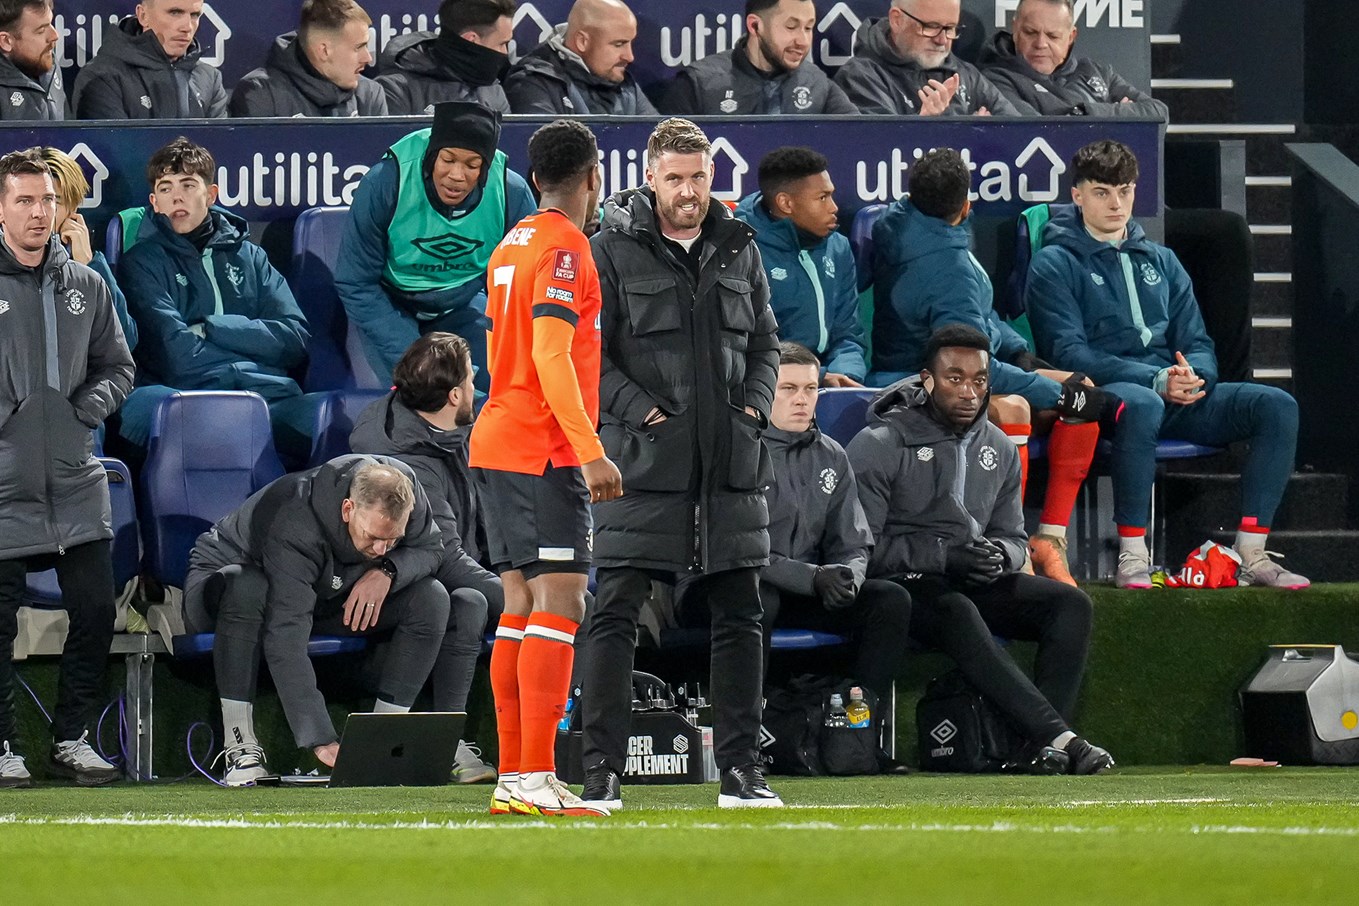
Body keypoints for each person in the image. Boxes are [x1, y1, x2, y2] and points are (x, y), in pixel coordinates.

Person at [580, 118, 782, 810]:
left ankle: (739, 772)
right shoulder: (607, 249)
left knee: (740, 615)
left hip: (729, 465)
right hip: (641, 464)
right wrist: (644, 413)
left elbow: (764, 344)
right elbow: (590, 358)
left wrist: (753, 410)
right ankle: (600, 772)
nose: (689, 191)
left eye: (698, 177)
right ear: (651, 177)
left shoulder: (739, 247)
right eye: (675, 178)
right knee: (613, 612)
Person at [1026, 140, 1308, 589]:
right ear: (1076, 195)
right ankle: (1133, 556)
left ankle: (1252, 552)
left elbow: (1197, 340)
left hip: (1175, 390)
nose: (1116, 203)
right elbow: (1068, 355)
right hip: (1109, 393)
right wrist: (1154, 378)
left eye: (1125, 190)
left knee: (1276, 405)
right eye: (1102, 192)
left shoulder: (1163, 260)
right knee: (1144, 403)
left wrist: (1195, 375)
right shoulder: (1053, 263)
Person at [847, 325, 1113, 775]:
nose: (969, 391)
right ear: (926, 380)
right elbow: (860, 549)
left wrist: (999, 556)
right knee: (956, 610)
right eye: (954, 378)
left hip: (972, 575)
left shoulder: (1000, 446)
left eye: (979, 380)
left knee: (1069, 605)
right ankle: (1058, 736)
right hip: (902, 588)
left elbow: (1012, 535)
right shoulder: (880, 444)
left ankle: (1036, 748)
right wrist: (942, 557)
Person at [869, 148, 1112, 586]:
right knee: (1024, 406)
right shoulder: (948, 267)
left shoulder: (907, 226)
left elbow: (983, 320)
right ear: (966, 207)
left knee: (1082, 386)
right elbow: (967, 369)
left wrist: (1024, 356)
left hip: (941, 369)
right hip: (918, 383)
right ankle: (997, 546)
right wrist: (1057, 393)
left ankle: (1049, 539)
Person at [469, 119, 621, 817]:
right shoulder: (564, 248)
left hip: (499, 436)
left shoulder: (514, 240)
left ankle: (517, 778)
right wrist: (588, 448)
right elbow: (552, 355)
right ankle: (531, 773)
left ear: (534, 179)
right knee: (562, 600)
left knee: (521, 606)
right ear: (592, 177)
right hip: (541, 445)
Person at [183, 456, 452, 785]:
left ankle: (380, 747)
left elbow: (431, 548)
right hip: (225, 585)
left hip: (324, 590)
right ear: (348, 510)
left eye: (393, 540)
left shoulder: (404, 490)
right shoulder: (296, 520)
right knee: (248, 587)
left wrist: (388, 571)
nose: (383, 548)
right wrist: (320, 737)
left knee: (431, 598)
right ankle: (239, 746)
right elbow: (286, 634)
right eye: (373, 538)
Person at [0, 148, 134, 788]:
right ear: (1, 208)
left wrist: (86, 411)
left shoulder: (86, 284)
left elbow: (120, 365)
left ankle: (72, 738)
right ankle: (3, 745)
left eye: (47, 201)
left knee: (95, 611)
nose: (37, 213)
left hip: (76, 482)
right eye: (24, 200)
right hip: (3, 486)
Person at [348, 332, 503, 785]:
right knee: (470, 599)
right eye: (473, 378)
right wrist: (522, 600)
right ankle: (444, 741)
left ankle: (449, 738)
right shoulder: (404, 460)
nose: (478, 386)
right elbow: (446, 557)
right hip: (391, 589)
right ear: (454, 395)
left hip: (444, 570)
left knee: (475, 600)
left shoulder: (456, 430)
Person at [116, 137, 315, 462]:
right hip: (188, 395)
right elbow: (177, 357)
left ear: (210, 195)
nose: (176, 196)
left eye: (188, 185)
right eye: (165, 188)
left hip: (266, 394)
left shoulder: (251, 256)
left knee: (338, 417)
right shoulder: (142, 262)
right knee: (167, 409)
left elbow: (295, 338)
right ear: (154, 202)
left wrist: (213, 328)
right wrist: (253, 344)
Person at [336, 101, 535, 389]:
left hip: (463, 302)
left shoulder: (510, 192)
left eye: (472, 165)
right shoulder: (385, 182)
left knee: (503, 389)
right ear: (432, 156)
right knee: (426, 389)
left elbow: (522, 285)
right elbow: (355, 281)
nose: (456, 175)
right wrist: (419, 358)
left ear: (485, 168)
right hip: (391, 304)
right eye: (448, 159)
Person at [757, 343, 911, 696]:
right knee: (759, 597)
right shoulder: (736, 453)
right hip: (738, 584)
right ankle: (748, 732)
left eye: (810, 389)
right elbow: (739, 549)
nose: (802, 400)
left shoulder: (832, 455)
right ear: (762, 389)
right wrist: (812, 578)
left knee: (889, 600)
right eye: (788, 389)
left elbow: (854, 542)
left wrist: (848, 579)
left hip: (808, 589)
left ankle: (859, 730)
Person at [734, 147, 865, 387]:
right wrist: (819, 377)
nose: (834, 207)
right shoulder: (740, 249)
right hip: (766, 383)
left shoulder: (838, 246)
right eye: (822, 197)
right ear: (785, 203)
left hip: (827, 380)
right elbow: (746, 344)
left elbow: (848, 334)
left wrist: (846, 375)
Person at [662, 0, 858, 116]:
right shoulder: (698, 84)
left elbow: (859, 137)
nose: (803, 41)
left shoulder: (817, 83)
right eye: (791, 27)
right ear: (755, 26)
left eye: (808, 28)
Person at [982, 0, 1168, 119]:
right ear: (1015, 29)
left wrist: (1086, 111)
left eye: (1052, 36)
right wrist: (1117, 116)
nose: (1040, 44)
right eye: (1030, 33)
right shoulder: (994, 78)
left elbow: (1158, 112)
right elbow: (1039, 132)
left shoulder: (1097, 72)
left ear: (1071, 36)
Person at [834, 0, 1018, 116]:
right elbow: (878, 151)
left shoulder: (966, 74)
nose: (942, 40)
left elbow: (1018, 129)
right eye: (931, 26)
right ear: (897, 20)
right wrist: (924, 127)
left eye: (950, 28)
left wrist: (990, 133)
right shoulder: (861, 77)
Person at [39, 147, 136, 351]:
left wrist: (89, 265)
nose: (38, 212)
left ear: (71, 211)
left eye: (52, 201)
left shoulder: (85, 264)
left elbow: (124, 340)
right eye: (27, 200)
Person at [71, 0, 228, 119]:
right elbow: (114, 154)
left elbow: (220, 151)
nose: (187, 27)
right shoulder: (102, 77)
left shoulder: (210, 78)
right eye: (175, 13)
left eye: (194, 15)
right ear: (143, 15)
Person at [229, 0, 387, 118]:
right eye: (358, 47)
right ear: (324, 51)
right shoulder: (260, 94)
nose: (368, 57)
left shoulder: (370, 95)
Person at [504, 0, 656, 115]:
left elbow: (664, 147)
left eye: (630, 43)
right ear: (582, 41)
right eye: (619, 44)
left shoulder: (627, 87)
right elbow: (546, 153)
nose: (629, 57)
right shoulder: (533, 81)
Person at [376, 0, 513, 116]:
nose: (505, 53)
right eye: (502, 44)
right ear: (472, 40)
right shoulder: (397, 89)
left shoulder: (493, 90)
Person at [0, 0, 63, 120]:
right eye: (41, 31)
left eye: (50, 23)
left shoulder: (50, 65)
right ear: (6, 41)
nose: (55, 35)